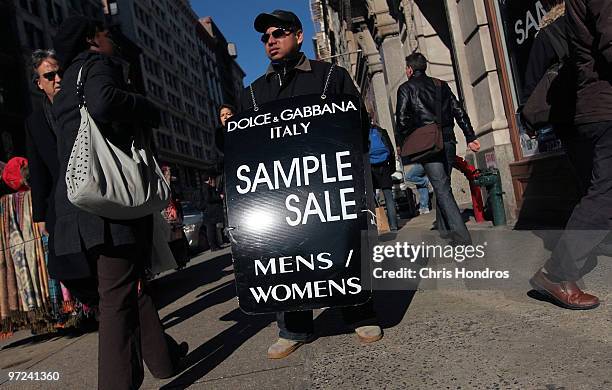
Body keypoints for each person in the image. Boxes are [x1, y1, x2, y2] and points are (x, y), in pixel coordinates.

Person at [51, 17, 185, 389]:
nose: (114, 43)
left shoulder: (63, 89)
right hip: (109, 206)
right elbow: (104, 101)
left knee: (125, 286)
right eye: (108, 35)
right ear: (93, 40)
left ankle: (164, 359)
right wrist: (146, 107)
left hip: (79, 207)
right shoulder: (96, 66)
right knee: (116, 301)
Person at [240, 9, 382, 360]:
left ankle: (359, 312)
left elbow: (357, 124)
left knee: (343, 245)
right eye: (265, 37)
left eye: (278, 33)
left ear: (299, 36)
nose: (270, 41)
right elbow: (241, 147)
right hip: (279, 194)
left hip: (328, 189)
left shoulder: (331, 76)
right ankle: (293, 327)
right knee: (284, 255)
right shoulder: (254, 94)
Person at [529, 0, 612, 310]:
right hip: (598, 107)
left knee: (600, 189)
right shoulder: (547, 34)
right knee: (603, 193)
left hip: (589, 109)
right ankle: (557, 272)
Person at [395, 52, 480, 244]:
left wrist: (403, 141)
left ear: (409, 69)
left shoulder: (405, 88)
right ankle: (443, 227)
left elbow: (401, 120)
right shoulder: (441, 84)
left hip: (428, 144)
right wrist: (470, 136)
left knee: (441, 188)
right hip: (448, 140)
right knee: (444, 185)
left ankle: (463, 237)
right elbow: (459, 111)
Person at [369, 122, 398, 230]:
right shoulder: (381, 131)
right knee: (389, 197)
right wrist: (392, 168)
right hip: (385, 166)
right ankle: (394, 226)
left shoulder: (361, 134)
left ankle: (380, 225)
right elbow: (391, 150)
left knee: (373, 200)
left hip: (370, 168)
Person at [200, 172, 224, 252]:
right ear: (209, 179)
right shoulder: (206, 187)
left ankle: (215, 245)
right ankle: (213, 246)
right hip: (210, 213)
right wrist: (219, 197)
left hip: (210, 213)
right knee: (211, 230)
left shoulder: (206, 187)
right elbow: (209, 199)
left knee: (212, 229)